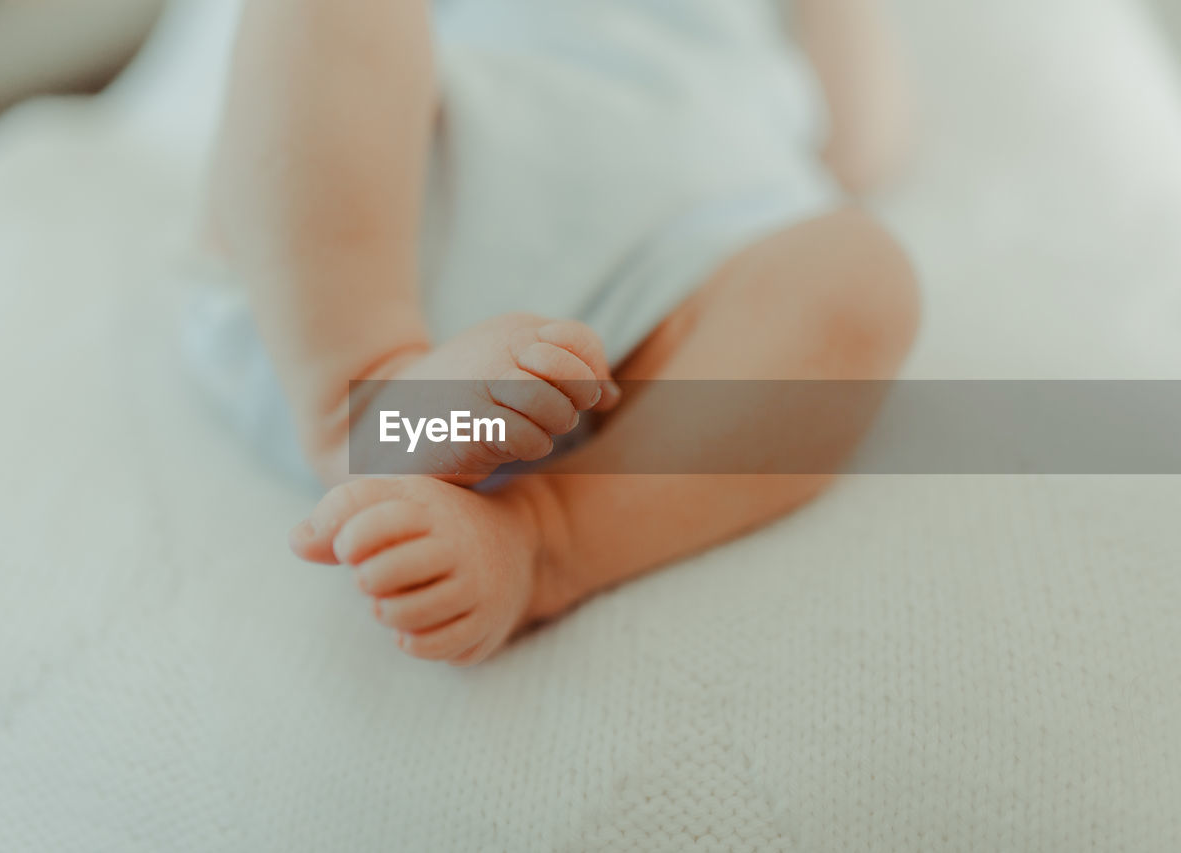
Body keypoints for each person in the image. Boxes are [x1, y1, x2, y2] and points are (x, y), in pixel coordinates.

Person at [192, 0, 920, 666]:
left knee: (866, 276)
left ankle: (546, 536)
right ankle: (365, 402)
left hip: (668, 294)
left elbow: (856, 149)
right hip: (394, 236)